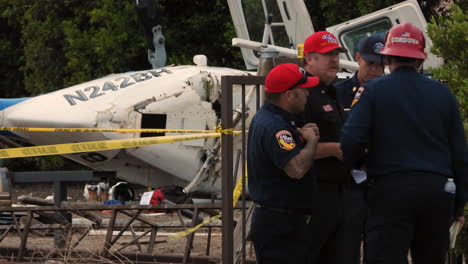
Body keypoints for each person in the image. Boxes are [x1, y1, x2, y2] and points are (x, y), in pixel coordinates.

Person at [340, 22, 468, 264]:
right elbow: (460, 156)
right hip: (437, 192)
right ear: (421, 60)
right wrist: (459, 205)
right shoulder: (444, 95)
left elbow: (351, 139)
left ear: (387, 58)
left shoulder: (373, 90)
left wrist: (357, 169)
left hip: (390, 190)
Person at [247, 63, 320, 264]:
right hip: (280, 225)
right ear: (289, 95)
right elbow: (296, 169)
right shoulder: (276, 126)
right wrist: (312, 142)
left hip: (281, 221)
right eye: (303, 89)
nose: (307, 94)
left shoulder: (273, 118)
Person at [300, 31, 353, 264]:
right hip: (313, 193)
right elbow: (294, 150)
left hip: (337, 193)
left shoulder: (331, 92)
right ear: (309, 59)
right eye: (327, 54)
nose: (334, 59)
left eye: (336, 54)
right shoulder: (302, 94)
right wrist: (335, 148)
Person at [334, 35, 385, 264]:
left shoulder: (390, 94)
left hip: (380, 184)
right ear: (357, 59)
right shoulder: (340, 92)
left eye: (381, 64)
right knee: (346, 250)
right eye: (370, 63)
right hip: (349, 185)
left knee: (381, 251)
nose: (375, 70)